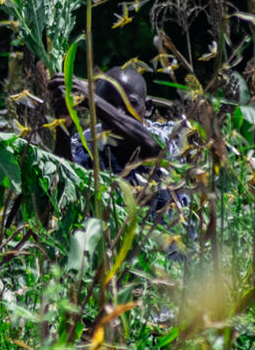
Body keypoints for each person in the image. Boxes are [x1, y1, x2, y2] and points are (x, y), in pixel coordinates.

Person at [50, 67, 192, 239]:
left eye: (130, 104)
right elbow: (64, 184)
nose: (119, 113)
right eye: (110, 105)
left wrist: (93, 100)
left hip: (174, 260)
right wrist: (64, 124)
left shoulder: (172, 136)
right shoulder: (84, 144)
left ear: (147, 108)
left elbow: (153, 149)